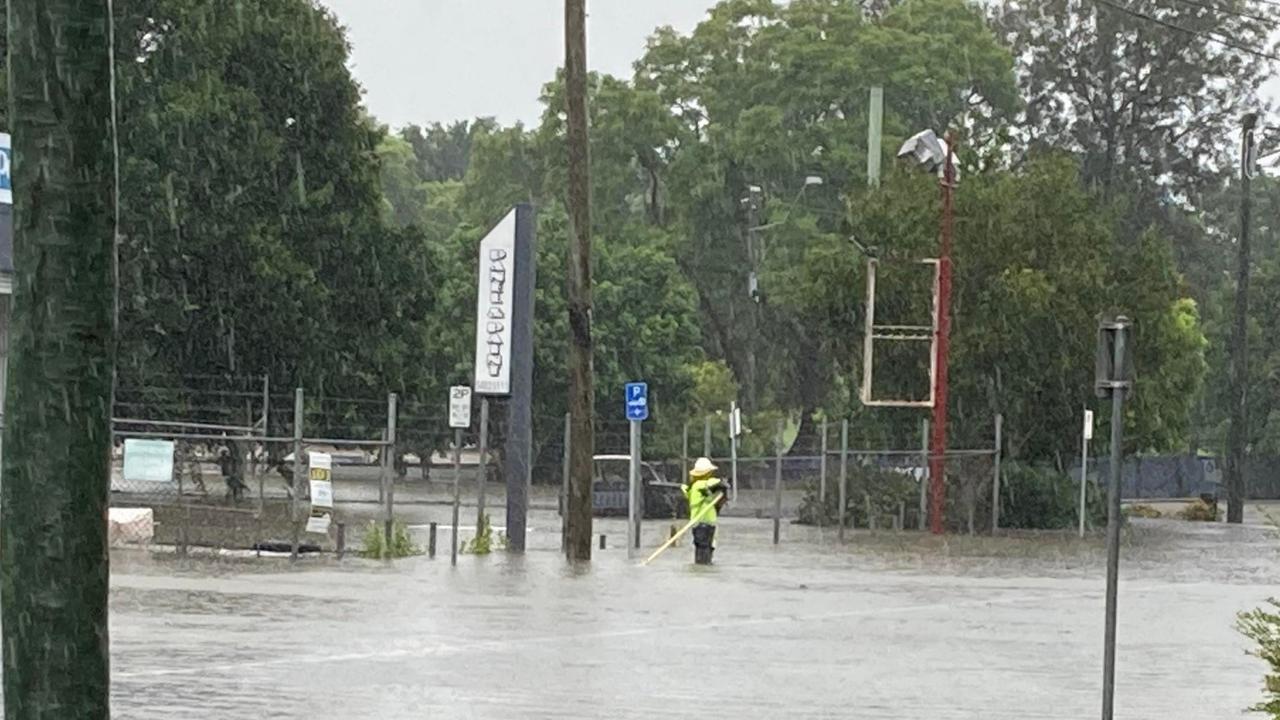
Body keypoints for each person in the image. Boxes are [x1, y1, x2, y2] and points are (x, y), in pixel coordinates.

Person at [683, 457, 729, 565]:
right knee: (705, 552)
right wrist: (722, 484)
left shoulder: (693, 487)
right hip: (705, 524)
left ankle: (701, 569)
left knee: (702, 551)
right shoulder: (702, 485)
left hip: (698, 524)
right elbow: (717, 483)